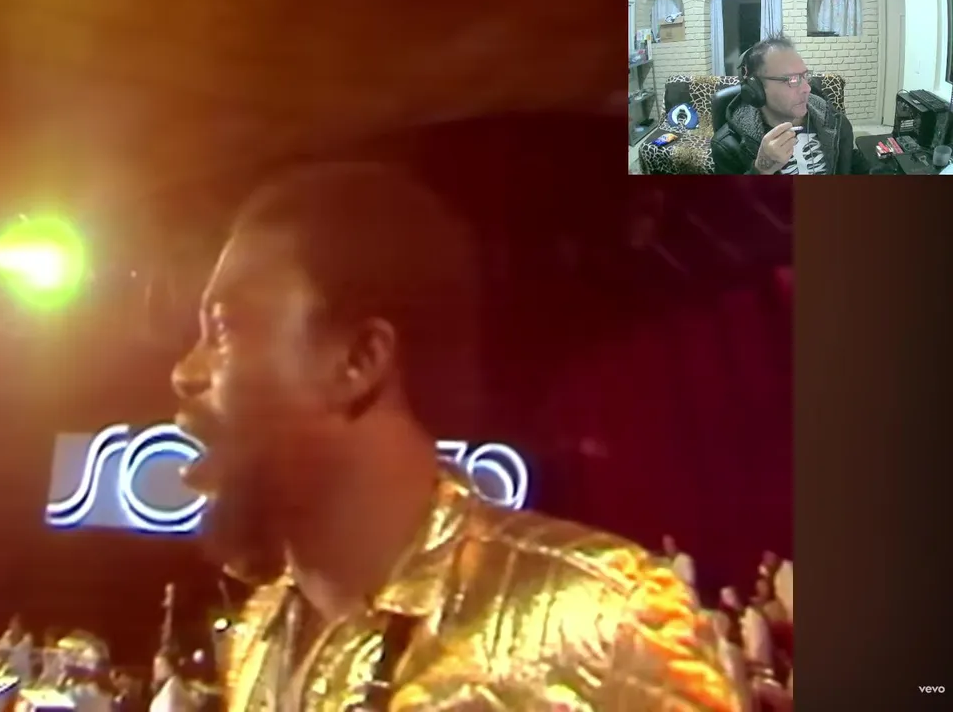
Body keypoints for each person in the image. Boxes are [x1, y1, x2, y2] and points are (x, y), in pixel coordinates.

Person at [171, 162, 739, 709]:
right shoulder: (259, 637)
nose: (183, 373)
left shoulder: (605, 623)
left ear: (359, 359)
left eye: (222, 330)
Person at [712, 36, 865, 175]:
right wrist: (761, 170)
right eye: (792, 79)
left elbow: (850, 162)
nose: (807, 88)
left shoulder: (834, 121)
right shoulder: (727, 146)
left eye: (805, 76)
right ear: (756, 89)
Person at [0, 614, 34, 681]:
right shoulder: (6, 636)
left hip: (23, 676)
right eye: (11, 623)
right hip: (8, 675)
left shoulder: (28, 639)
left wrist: (6, 653)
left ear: (21, 626)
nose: (11, 625)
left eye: (15, 623)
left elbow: (13, 649)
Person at [758, 550, 794, 622]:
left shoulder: (787, 570)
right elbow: (765, 595)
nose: (766, 561)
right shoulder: (775, 575)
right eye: (764, 558)